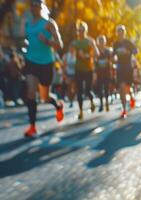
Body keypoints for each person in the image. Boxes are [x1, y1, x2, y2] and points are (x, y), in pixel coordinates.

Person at [21, 0, 64, 137]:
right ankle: (32, 127)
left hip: (46, 63)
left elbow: (60, 45)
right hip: (31, 62)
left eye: (37, 5)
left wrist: (47, 41)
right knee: (31, 92)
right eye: (32, 5)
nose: (34, 7)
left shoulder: (49, 23)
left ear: (42, 7)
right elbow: (28, 41)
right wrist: (26, 47)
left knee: (44, 97)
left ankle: (57, 105)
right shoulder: (27, 24)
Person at [70, 20, 99, 120]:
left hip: (88, 69)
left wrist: (88, 55)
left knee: (87, 91)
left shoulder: (89, 41)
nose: (81, 32)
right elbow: (71, 54)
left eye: (82, 30)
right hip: (78, 69)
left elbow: (96, 54)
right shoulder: (75, 42)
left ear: (85, 31)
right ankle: (81, 111)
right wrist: (74, 52)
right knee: (79, 91)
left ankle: (92, 102)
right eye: (79, 30)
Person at [113, 25, 138, 118]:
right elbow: (113, 55)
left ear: (124, 33)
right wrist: (114, 58)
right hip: (120, 67)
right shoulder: (115, 44)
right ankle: (124, 109)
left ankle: (131, 97)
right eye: (119, 31)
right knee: (121, 88)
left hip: (128, 67)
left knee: (127, 87)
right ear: (117, 33)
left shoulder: (128, 43)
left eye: (122, 31)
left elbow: (136, 51)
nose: (120, 33)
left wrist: (129, 52)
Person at [95, 35, 113, 112]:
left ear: (105, 42)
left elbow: (111, 60)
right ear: (98, 42)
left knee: (106, 88)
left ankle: (106, 103)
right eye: (100, 41)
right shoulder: (96, 51)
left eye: (102, 41)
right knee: (100, 88)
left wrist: (108, 62)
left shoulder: (108, 51)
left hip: (107, 72)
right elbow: (94, 61)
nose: (101, 42)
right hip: (99, 72)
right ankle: (101, 104)